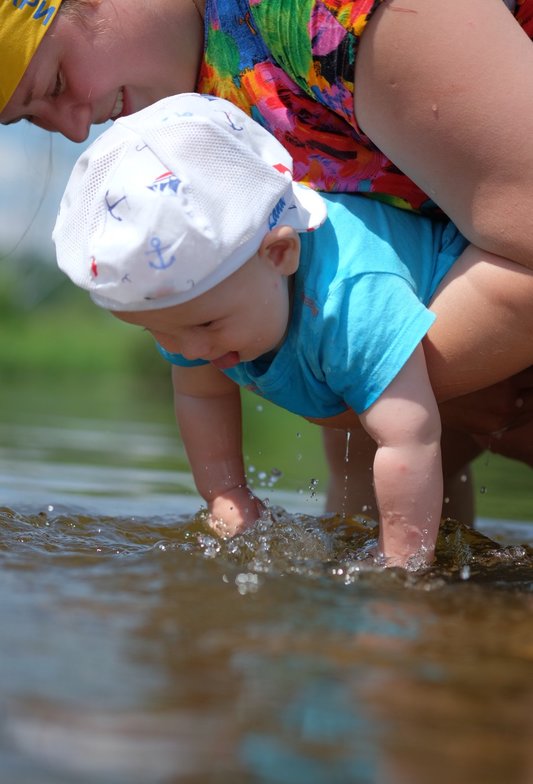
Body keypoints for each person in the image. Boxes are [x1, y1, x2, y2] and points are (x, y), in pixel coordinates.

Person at [1, 0, 532, 522]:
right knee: (363, 471)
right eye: (31, 118)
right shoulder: (191, 138)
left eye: (53, 83)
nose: (74, 130)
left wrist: (359, 384)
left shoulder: (307, 10)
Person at [52, 93, 532, 567]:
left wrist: (401, 570)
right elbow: (202, 397)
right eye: (159, 334)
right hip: (380, 368)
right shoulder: (194, 310)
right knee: (369, 502)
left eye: (206, 324)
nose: (191, 350)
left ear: (280, 254)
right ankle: (461, 586)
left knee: (406, 460)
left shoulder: (352, 301)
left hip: (500, 343)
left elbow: (409, 439)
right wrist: (226, 492)